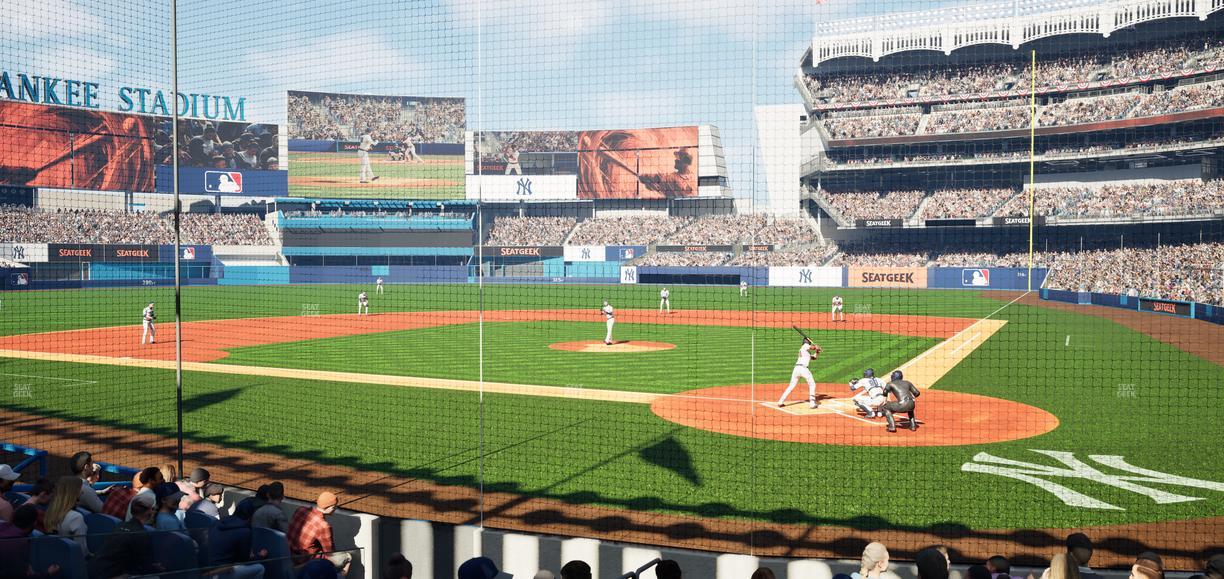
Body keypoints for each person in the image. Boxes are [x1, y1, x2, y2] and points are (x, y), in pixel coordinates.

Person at [87, 493, 162, 578]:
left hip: (93, 571)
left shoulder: (120, 525)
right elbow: (144, 567)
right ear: (149, 511)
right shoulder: (141, 534)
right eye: (153, 509)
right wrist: (156, 568)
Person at [288, 491, 351, 572]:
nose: (335, 509)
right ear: (330, 507)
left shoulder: (300, 510)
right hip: (306, 561)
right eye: (335, 507)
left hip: (289, 553)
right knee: (347, 557)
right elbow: (330, 554)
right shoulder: (324, 526)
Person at [44, 476, 89, 558]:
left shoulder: (50, 512)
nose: (82, 492)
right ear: (73, 493)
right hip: (73, 562)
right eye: (79, 489)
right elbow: (82, 551)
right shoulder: (76, 517)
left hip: (56, 559)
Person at [777, 338, 821, 409]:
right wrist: (816, 347)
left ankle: (780, 402)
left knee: (791, 386)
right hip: (803, 369)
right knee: (812, 384)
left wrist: (817, 351)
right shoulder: (805, 346)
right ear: (808, 342)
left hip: (796, 369)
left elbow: (813, 358)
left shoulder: (805, 352)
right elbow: (812, 347)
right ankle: (812, 404)